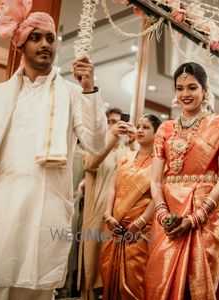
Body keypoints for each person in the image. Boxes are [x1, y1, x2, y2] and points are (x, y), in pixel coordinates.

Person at [0, 0, 107, 299]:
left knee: (31, 288)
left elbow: (96, 144)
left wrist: (89, 91)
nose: (45, 44)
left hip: (41, 212)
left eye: (50, 38)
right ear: (20, 44)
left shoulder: (71, 94)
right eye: (36, 37)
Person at [145, 62, 219, 299]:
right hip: (167, 217)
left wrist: (197, 217)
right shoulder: (164, 129)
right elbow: (155, 181)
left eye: (192, 87)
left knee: (196, 287)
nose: (185, 94)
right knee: (159, 282)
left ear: (205, 91)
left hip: (204, 215)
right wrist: (163, 213)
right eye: (180, 88)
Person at [99, 114, 161, 300]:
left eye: (146, 127)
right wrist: (108, 216)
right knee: (108, 272)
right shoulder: (125, 157)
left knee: (135, 279)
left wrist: (140, 222)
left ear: (157, 134)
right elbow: (113, 187)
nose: (140, 130)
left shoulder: (159, 163)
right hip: (114, 226)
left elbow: (157, 196)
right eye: (139, 126)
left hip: (140, 230)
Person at [77, 107, 137, 300]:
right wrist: (110, 135)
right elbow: (89, 163)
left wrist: (134, 141)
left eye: (120, 121)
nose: (116, 125)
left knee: (116, 267)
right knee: (93, 265)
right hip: (97, 213)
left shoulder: (127, 150)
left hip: (120, 217)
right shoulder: (94, 145)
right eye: (111, 121)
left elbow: (141, 173)